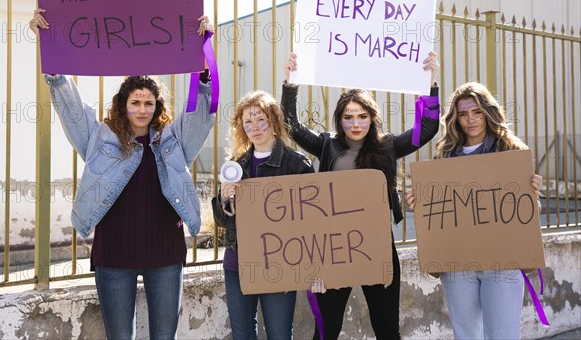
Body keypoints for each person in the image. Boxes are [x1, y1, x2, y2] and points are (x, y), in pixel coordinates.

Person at [30, 9, 216, 339]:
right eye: (135, 102)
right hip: (114, 256)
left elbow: (201, 115)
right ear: (123, 105)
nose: (142, 109)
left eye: (149, 103)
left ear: (158, 107)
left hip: (165, 256)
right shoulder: (101, 138)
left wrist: (205, 57)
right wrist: (52, 51)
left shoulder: (173, 139)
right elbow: (71, 109)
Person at [281, 51, 441, 340]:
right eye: (348, 117)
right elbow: (291, 124)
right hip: (333, 248)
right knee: (326, 330)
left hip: (378, 246)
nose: (355, 124)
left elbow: (427, 129)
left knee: (387, 328)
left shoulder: (388, 146)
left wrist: (430, 84)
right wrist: (290, 83)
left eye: (362, 116)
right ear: (340, 120)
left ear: (372, 118)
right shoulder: (326, 145)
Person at [405, 82, 543, 340]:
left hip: (503, 261)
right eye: (463, 114)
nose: (470, 120)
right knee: (466, 334)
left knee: (503, 335)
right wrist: (420, 207)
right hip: (458, 263)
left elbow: (526, 213)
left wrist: (533, 192)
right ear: (455, 119)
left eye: (476, 112)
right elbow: (441, 213)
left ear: (488, 112)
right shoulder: (445, 156)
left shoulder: (511, 151)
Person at [211, 90, 314, 340]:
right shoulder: (237, 165)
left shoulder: (296, 165)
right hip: (238, 265)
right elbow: (224, 220)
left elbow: (311, 220)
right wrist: (225, 199)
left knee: (279, 334)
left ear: (274, 120)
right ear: (241, 126)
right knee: (242, 335)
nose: (254, 127)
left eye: (260, 119)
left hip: (280, 261)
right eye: (247, 121)